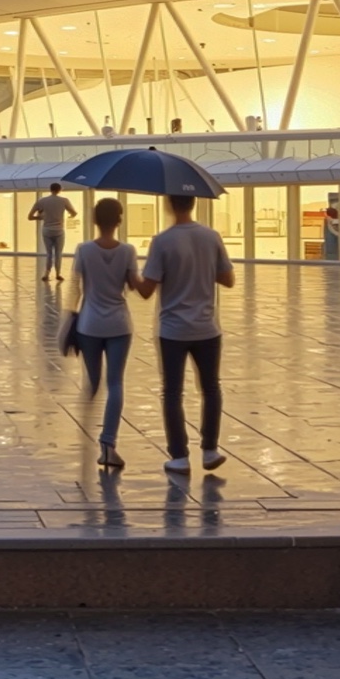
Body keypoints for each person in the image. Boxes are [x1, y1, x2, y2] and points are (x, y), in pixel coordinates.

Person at [137, 194, 234, 473]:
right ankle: (210, 450)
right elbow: (228, 279)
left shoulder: (162, 241)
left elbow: (147, 290)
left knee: (172, 392)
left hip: (173, 329)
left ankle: (179, 455)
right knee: (211, 388)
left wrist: (130, 274)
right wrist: (203, 269)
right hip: (207, 327)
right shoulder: (211, 236)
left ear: (169, 205)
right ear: (193, 202)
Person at [73, 197, 141, 470]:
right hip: (119, 325)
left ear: (95, 220)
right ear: (119, 220)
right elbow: (135, 286)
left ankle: (85, 425)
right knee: (115, 383)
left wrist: (69, 318)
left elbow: (75, 288)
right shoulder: (127, 251)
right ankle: (108, 443)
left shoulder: (83, 250)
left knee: (92, 381)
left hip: (89, 324)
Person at [27, 183, 77, 282]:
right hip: (59, 229)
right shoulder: (64, 201)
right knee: (58, 253)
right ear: (60, 190)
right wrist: (70, 216)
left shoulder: (42, 201)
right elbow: (74, 213)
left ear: (50, 189)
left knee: (49, 253)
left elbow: (30, 217)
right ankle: (58, 273)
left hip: (47, 230)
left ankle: (47, 273)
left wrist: (40, 217)